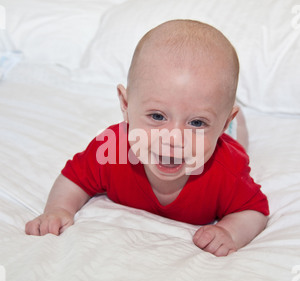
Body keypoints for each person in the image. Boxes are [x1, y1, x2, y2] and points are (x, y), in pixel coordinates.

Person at [25, 20, 269, 257]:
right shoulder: (112, 148)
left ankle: (237, 120)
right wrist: (59, 209)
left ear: (223, 122)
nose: (173, 138)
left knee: (239, 140)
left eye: (196, 122)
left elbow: (254, 211)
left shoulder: (226, 170)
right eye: (157, 116)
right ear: (126, 104)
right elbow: (73, 179)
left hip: (227, 139)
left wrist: (229, 231)